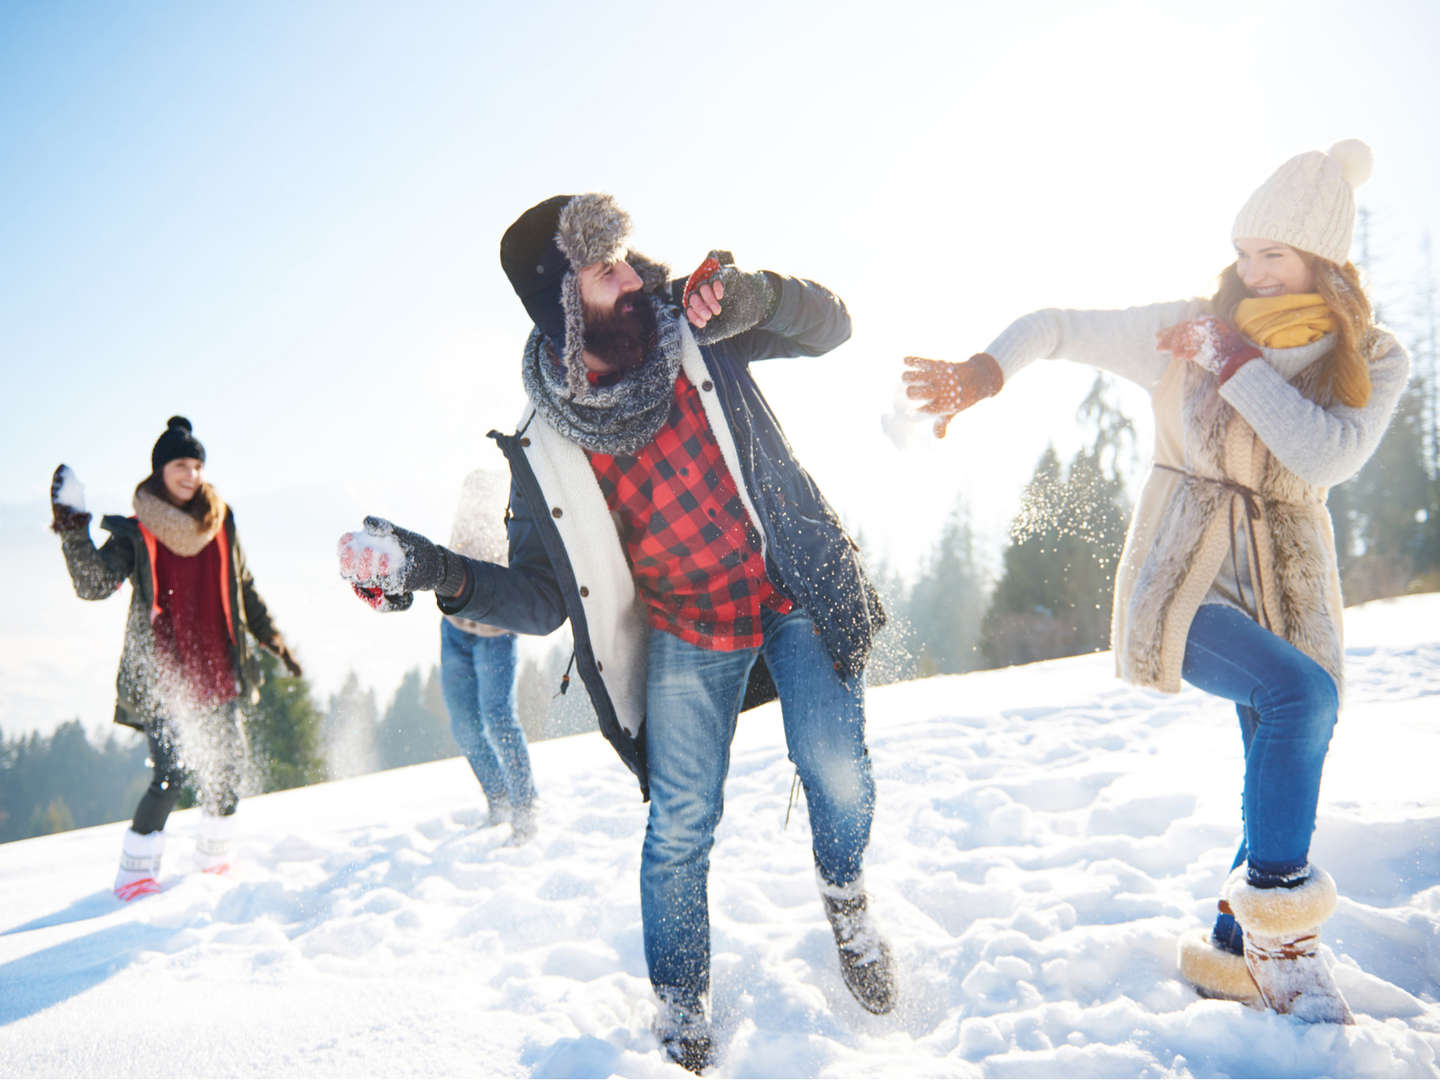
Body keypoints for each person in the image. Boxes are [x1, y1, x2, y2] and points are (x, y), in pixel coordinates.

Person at [338, 193, 891, 1071]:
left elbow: (834, 326)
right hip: (689, 629)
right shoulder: (544, 442)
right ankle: (680, 1008)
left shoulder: (696, 322)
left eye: (627, 258)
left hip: (795, 586)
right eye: (606, 270)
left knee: (837, 770)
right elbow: (538, 600)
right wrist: (434, 571)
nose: (633, 278)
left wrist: (758, 297)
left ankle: (847, 898)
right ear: (564, 306)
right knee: (679, 824)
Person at [903, 140, 1409, 1025]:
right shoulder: (1186, 327)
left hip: (1290, 584)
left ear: (1322, 260)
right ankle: (1283, 953)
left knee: (1280, 737)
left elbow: (1324, 453)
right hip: (1186, 576)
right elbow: (1059, 324)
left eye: (1274, 255)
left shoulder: (1369, 354)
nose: (1251, 273)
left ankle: (1231, 944)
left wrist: (1236, 361)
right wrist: (987, 371)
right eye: (1245, 251)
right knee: (1301, 698)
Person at [52, 416, 302, 900]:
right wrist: (71, 527)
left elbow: (241, 586)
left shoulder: (220, 520)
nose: (190, 475)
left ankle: (213, 864)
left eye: (197, 465)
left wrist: (272, 637)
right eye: (180, 466)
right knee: (170, 777)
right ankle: (136, 875)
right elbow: (94, 584)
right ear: (160, 471)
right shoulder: (137, 531)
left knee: (229, 771)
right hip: (165, 676)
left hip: (218, 669)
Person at [438, 468, 538, 842]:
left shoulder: (516, 507)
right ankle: (499, 800)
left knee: (498, 719)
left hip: (496, 632)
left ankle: (524, 806)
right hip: (456, 629)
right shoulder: (474, 486)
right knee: (464, 725)